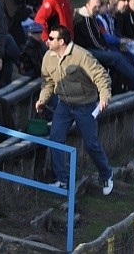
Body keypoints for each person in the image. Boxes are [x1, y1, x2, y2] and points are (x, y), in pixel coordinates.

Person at [36, 25, 114, 195]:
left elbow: (101, 76)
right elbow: (48, 81)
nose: (47, 40)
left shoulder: (81, 55)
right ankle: (62, 180)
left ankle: (106, 174)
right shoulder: (48, 57)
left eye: (51, 38)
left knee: (91, 144)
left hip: (85, 105)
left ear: (61, 41)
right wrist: (43, 99)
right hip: (63, 105)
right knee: (55, 138)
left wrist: (104, 98)